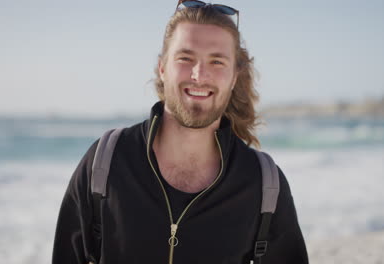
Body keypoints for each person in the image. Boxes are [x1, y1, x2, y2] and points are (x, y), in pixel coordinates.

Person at [52, 1, 308, 263]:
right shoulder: (104, 164)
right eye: (186, 58)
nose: (199, 75)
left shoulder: (263, 184)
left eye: (217, 61)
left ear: (234, 77)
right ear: (163, 68)